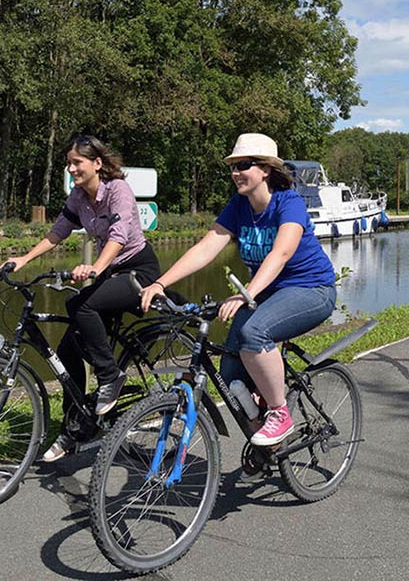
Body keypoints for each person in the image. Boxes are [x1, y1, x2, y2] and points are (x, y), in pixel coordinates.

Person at [139, 133, 336, 446]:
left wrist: (246, 293)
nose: (234, 173)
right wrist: (161, 283)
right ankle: (265, 436)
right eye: (232, 167)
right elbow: (206, 248)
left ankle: (280, 412)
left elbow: (280, 253)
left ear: (265, 170)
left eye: (242, 165)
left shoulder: (289, 203)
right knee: (230, 368)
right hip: (268, 293)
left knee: (253, 334)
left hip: (311, 289)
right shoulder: (238, 206)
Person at [0, 134, 159, 461]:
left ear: (97, 163)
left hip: (137, 271)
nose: (71, 168)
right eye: (69, 163)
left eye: (77, 163)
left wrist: (96, 269)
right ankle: (75, 429)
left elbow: (119, 236)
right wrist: (24, 260)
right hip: (110, 271)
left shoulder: (119, 191)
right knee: (68, 344)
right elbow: (58, 231)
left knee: (83, 304)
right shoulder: (78, 197)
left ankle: (110, 375)